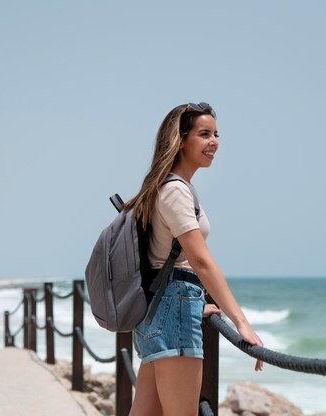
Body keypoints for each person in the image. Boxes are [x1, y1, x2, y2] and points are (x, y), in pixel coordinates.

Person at [124, 102, 263, 416]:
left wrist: (196, 301)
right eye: (204, 134)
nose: (214, 141)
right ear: (181, 139)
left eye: (215, 134)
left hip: (160, 307)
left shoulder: (164, 187)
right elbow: (200, 261)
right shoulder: (175, 191)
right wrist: (242, 323)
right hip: (172, 308)